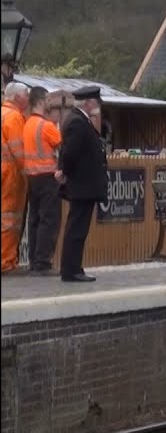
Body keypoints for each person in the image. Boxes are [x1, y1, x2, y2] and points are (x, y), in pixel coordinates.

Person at [57, 85, 109, 283]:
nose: (97, 106)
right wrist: (64, 172)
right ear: (88, 103)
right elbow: (71, 152)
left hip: (83, 185)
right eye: (95, 103)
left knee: (78, 228)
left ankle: (74, 267)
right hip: (82, 186)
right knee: (76, 229)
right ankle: (71, 271)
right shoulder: (78, 122)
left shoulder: (78, 120)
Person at [22, 87, 62, 274]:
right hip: (47, 177)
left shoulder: (27, 124)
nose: (49, 103)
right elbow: (63, 145)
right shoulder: (46, 126)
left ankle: (34, 261)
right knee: (49, 220)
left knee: (35, 220)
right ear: (40, 100)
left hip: (32, 177)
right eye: (47, 99)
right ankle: (43, 262)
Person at [1, 81, 31, 274]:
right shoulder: (14, 117)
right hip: (9, 175)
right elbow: (19, 152)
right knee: (8, 220)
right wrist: (27, 174)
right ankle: (6, 262)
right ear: (17, 97)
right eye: (26, 94)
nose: (28, 98)